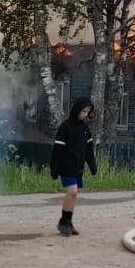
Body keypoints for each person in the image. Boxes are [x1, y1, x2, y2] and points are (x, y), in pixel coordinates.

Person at [49, 98, 98, 236]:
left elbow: (89, 149)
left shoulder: (84, 128)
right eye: (84, 111)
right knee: (73, 192)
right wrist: (54, 168)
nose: (86, 114)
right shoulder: (65, 127)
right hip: (66, 166)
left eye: (88, 112)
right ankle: (63, 222)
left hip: (78, 167)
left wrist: (92, 164)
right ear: (77, 110)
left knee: (73, 195)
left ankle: (68, 222)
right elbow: (57, 150)